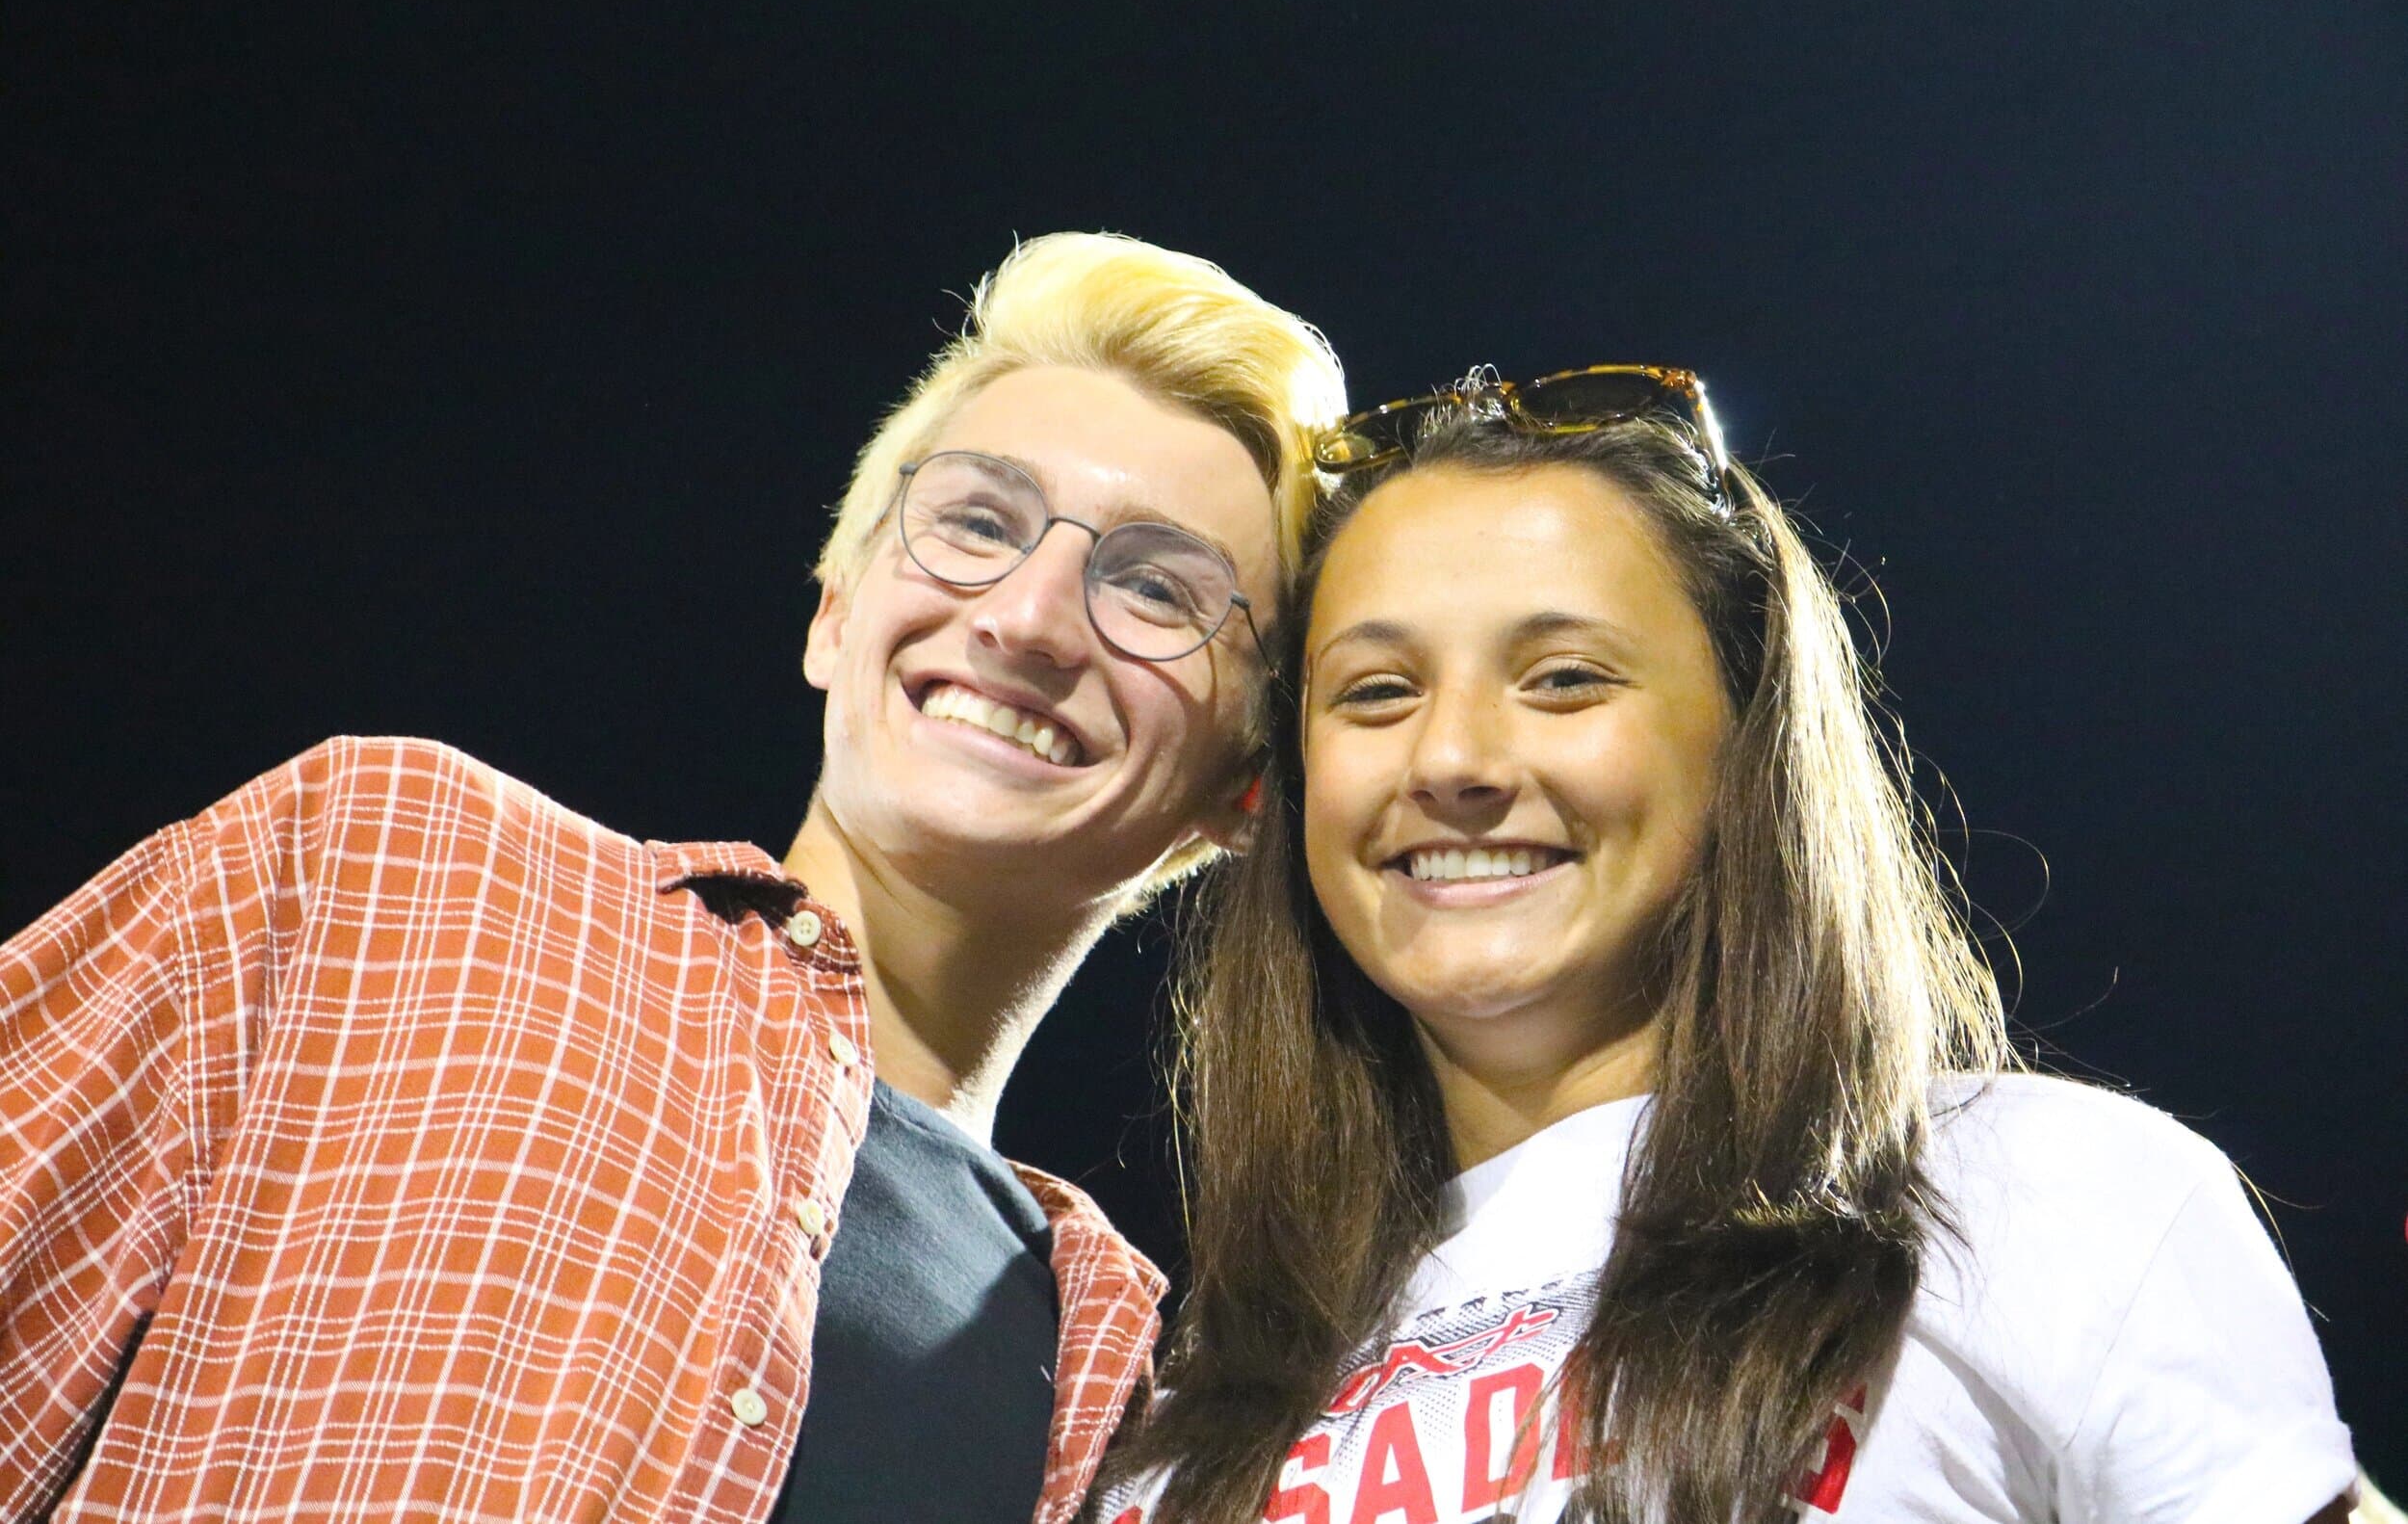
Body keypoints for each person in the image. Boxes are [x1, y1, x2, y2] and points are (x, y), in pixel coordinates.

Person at [0, 231, 1346, 1524]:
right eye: (977, 520)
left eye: (1160, 592)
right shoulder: (381, 870)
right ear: (835, 604)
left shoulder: (1112, 1385)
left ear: (1247, 784)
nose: (1029, 616)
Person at [1097, 369, 2358, 1522]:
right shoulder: (1189, 1429)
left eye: (1565, 679)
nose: (1454, 761)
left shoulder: (2046, 1200)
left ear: (1747, 745)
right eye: (1376, 692)